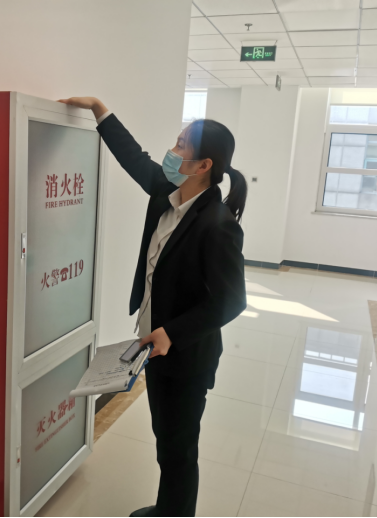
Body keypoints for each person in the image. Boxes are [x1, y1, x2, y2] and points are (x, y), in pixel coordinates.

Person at [59, 97, 248, 518]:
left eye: (181, 145)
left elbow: (231, 300)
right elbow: (135, 159)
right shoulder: (167, 193)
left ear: (204, 165)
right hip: (156, 347)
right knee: (168, 442)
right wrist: (100, 111)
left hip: (185, 356)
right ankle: (169, 510)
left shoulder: (217, 224)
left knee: (178, 450)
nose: (171, 151)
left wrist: (171, 334)